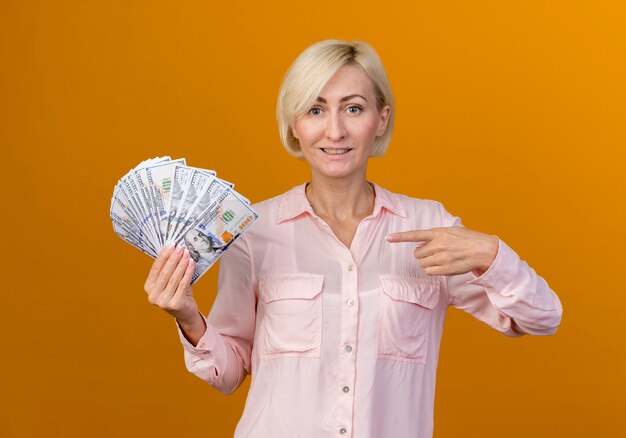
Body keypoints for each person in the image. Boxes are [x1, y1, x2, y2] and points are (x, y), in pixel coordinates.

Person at [143, 39, 562, 438]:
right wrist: (188, 318)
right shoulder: (255, 231)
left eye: (354, 108)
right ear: (295, 123)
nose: (335, 131)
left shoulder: (429, 225)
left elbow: (541, 319)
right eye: (315, 110)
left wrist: (491, 254)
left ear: (381, 118)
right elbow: (230, 371)